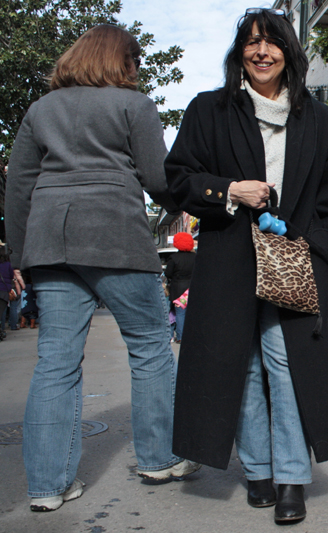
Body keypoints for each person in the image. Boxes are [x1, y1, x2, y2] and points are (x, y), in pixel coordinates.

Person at [164, 8, 328, 523]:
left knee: (288, 363)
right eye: (251, 43)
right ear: (239, 53)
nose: (261, 51)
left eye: (271, 42)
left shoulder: (315, 117)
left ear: (288, 51)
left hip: (294, 255)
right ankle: (257, 470)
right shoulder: (209, 110)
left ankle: (293, 476)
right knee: (244, 366)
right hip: (229, 258)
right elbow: (178, 177)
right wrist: (227, 189)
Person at [5, 24, 198, 513]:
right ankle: (159, 458)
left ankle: (48, 486)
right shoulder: (134, 105)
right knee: (151, 346)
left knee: (56, 361)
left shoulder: (39, 110)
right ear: (122, 61)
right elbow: (158, 179)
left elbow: (19, 188)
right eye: (132, 60)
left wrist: (23, 255)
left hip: (51, 240)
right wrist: (204, 199)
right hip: (114, 234)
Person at [164, 232, 195, 344]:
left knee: (180, 313)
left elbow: (168, 273)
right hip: (192, 288)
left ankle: (181, 337)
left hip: (178, 290)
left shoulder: (174, 258)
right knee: (192, 313)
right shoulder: (195, 257)